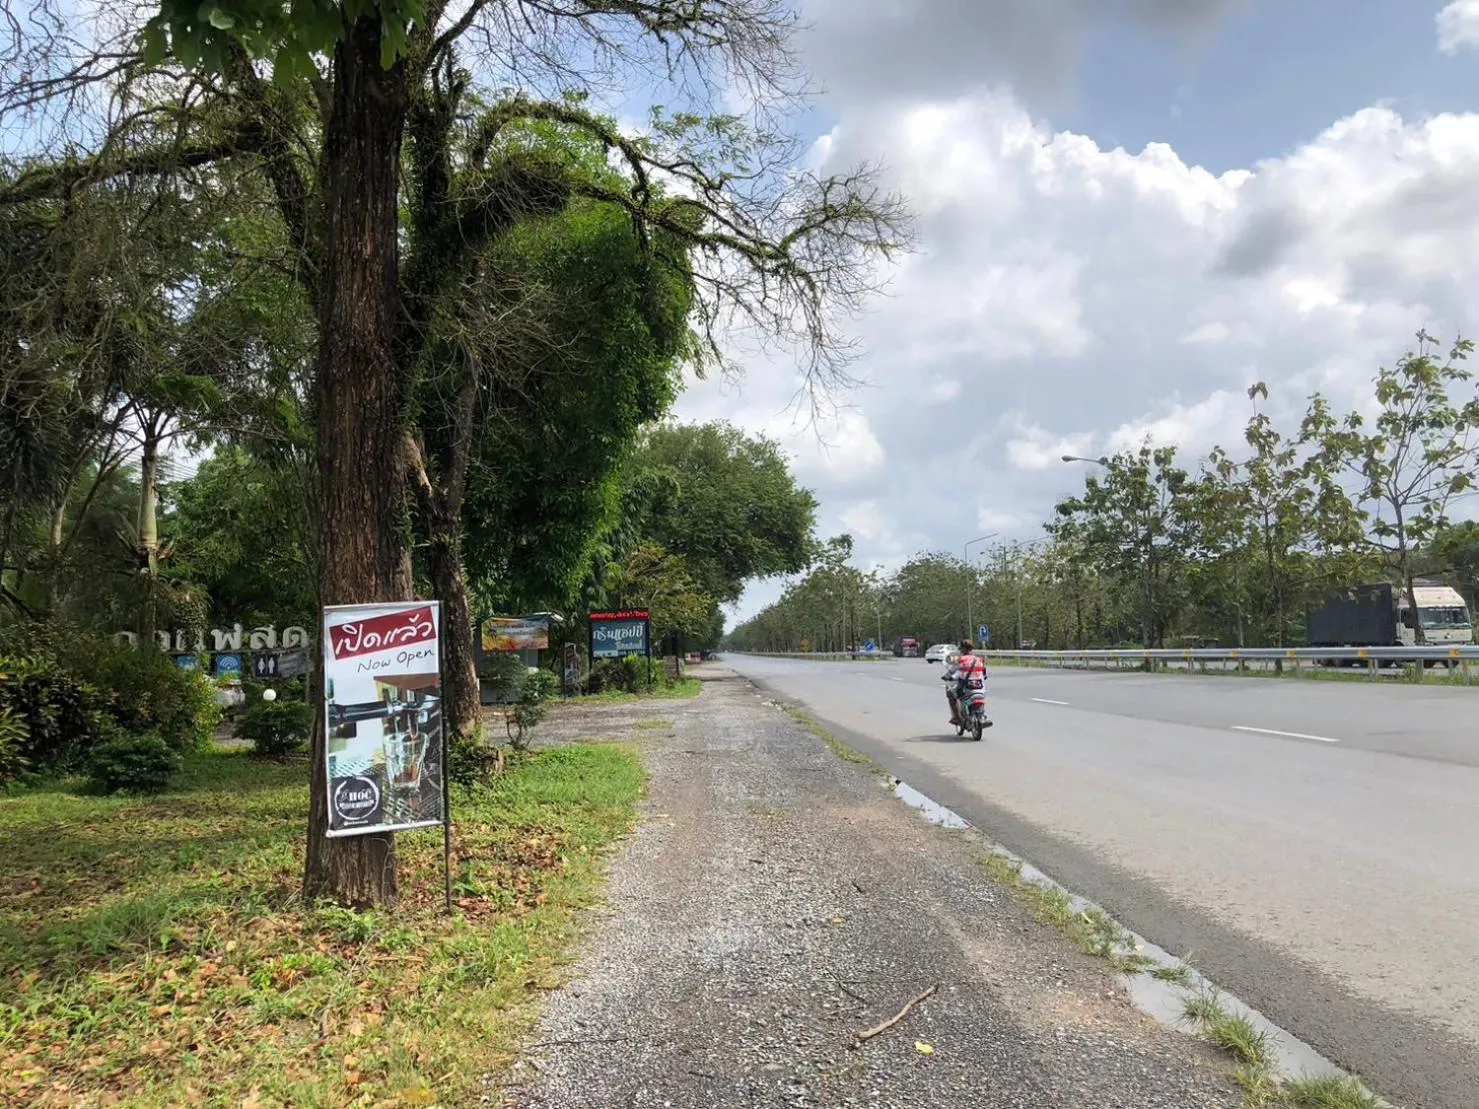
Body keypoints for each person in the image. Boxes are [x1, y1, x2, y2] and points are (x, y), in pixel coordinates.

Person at [944, 640, 988, 725]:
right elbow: (984, 674)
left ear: (963, 649)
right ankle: (981, 715)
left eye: (961, 649)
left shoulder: (961, 660)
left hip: (966, 686)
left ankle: (956, 717)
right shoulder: (979, 660)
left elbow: (953, 670)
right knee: (981, 695)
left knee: (950, 693)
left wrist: (946, 676)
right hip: (979, 686)